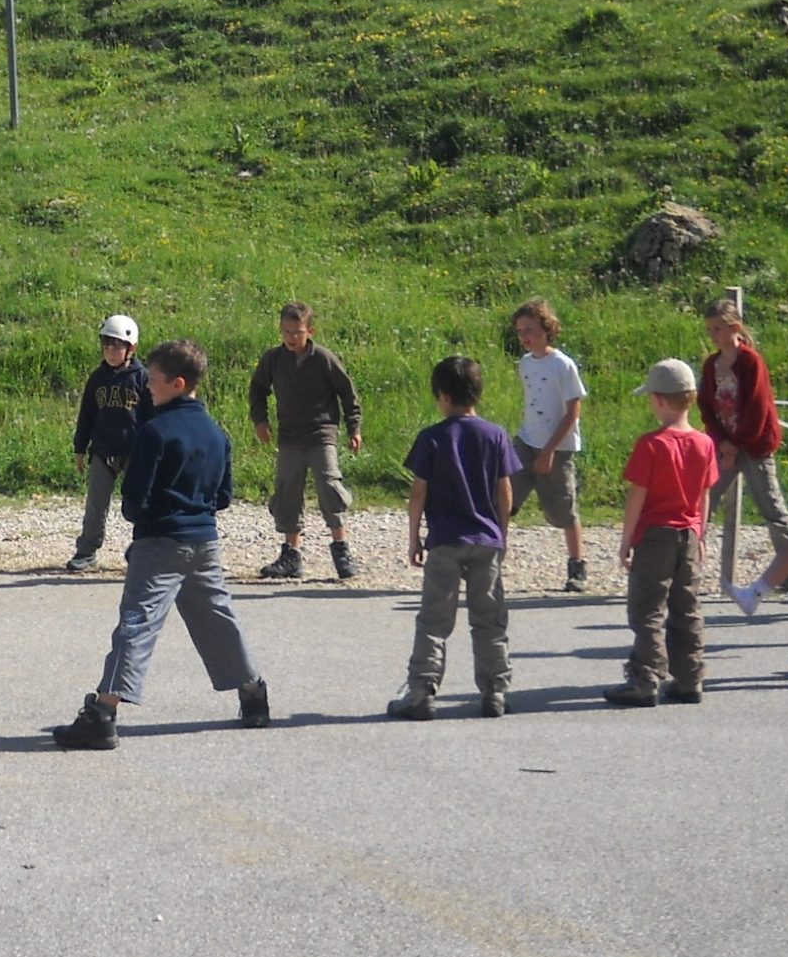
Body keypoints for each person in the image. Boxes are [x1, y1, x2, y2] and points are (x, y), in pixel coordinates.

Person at [53, 339, 270, 749]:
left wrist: (144, 516)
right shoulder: (217, 434)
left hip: (159, 543)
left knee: (137, 623)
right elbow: (224, 496)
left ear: (177, 383)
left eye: (153, 380)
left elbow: (135, 499)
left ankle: (102, 714)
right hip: (205, 542)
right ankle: (254, 695)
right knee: (219, 619)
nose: (147, 387)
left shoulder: (153, 432)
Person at [387, 355, 521, 719]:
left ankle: (421, 690)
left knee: (434, 620)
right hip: (486, 541)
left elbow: (418, 492)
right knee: (489, 619)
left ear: (443, 396)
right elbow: (504, 492)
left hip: (445, 541)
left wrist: (414, 538)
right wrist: (502, 534)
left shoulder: (431, 438)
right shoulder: (496, 435)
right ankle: (495, 690)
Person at [604, 360, 721, 708]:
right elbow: (704, 494)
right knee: (686, 607)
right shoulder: (704, 443)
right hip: (689, 532)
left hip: (656, 535)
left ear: (658, 399)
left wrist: (626, 539)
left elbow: (637, 496)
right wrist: (700, 533)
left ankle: (646, 677)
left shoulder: (651, 444)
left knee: (647, 609)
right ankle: (690, 677)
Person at [250, 301, 364, 581]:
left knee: (329, 485)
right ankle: (292, 555)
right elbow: (258, 389)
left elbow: (347, 393)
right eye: (286, 332)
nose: (291, 338)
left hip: (321, 433)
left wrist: (354, 428)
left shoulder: (323, 358)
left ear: (310, 331)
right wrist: (260, 421)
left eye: (297, 332)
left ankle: (341, 548)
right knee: (287, 491)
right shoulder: (273, 359)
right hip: (290, 436)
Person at [696, 299, 788, 597]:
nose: (713, 335)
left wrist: (736, 446)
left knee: (773, 511)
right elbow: (706, 407)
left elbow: (757, 408)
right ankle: (687, 568)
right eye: (710, 330)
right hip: (723, 444)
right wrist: (722, 443)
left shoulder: (751, 362)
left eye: (718, 329)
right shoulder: (711, 365)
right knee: (703, 502)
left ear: (735, 328)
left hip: (754, 447)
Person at [508, 299, 592, 591]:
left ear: (547, 329)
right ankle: (490, 561)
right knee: (503, 497)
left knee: (563, 510)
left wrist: (549, 451)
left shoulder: (563, 365)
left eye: (530, 330)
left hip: (557, 447)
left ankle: (577, 566)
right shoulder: (525, 363)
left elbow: (572, 412)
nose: (525, 336)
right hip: (526, 441)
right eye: (520, 331)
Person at [67, 315, 148, 571]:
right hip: (103, 451)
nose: (110, 351)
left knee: (140, 503)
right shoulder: (97, 378)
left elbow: (152, 417)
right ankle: (87, 550)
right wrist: (80, 448)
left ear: (131, 348)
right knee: (96, 504)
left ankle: (144, 548)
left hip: (135, 452)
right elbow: (87, 415)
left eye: (116, 346)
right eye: (106, 345)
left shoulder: (143, 379)